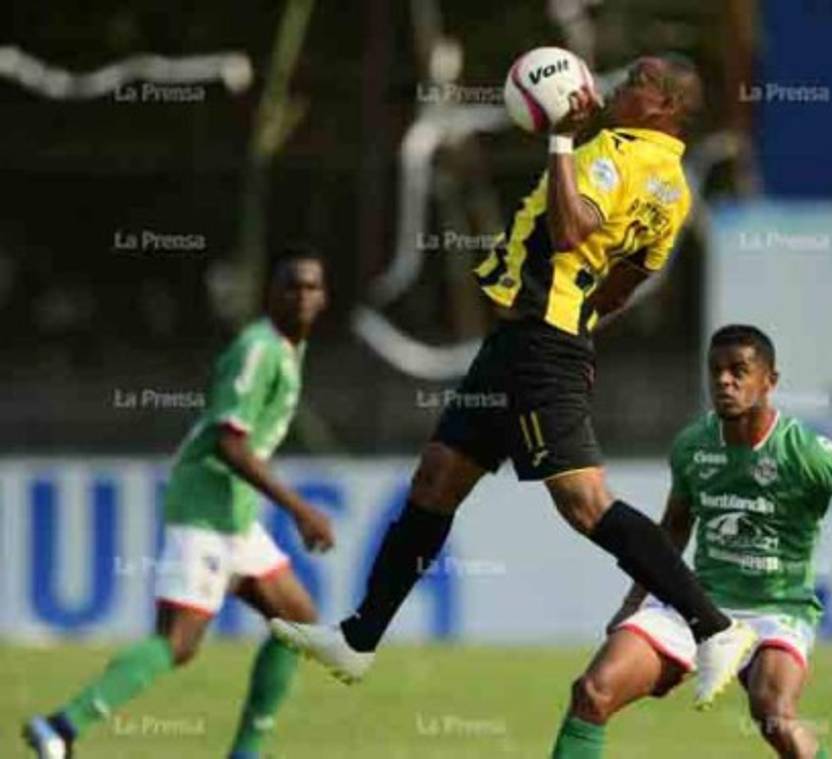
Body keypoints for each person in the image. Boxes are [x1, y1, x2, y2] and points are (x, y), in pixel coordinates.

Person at [272, 54, 759, 708]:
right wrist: (575, 318)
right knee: (438, 478)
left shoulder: (613, 151)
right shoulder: (673, 185)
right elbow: (628, 279)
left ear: (667, 104)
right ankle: (360, 637)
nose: (619, 85)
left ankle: (715, 627)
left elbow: (571, 229)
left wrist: (560, 138)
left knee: (584, 502)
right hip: (527, 341)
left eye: (638, 80)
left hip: (538, 346)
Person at [549, 324, 832, 758]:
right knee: (592, 691)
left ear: (770, 381)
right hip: (695, 604)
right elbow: (671, 532)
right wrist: (635, 602)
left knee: (773, 715)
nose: (724, 381)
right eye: (716, 370)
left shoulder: (806, 451)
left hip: (777, 612)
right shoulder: (692, 445)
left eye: (739, 370)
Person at [23, 248, 336, 759]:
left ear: (325, 298)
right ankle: (61, 726)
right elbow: (228, 443)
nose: (301, 296)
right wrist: (301, 509)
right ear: (270, 295)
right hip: (207, 507)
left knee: (298, 620)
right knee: (178, 643)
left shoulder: (288, 348)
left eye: (311, 288)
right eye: (290, 287)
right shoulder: (258, 349)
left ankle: (246, 753)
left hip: (233, 512)